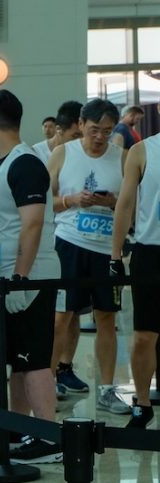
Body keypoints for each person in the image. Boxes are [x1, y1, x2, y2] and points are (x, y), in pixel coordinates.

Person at [0, 89, 61, 463]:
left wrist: (21, 276)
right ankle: (17, 426)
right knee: (15, 358)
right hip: (1, 277)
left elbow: (32, 223)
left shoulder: (27, 163)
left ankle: (49, 435)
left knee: (34, 358)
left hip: (30, 277)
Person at [48, 98, 129, 414]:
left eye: (107, 131)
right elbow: (42, 202)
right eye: (95, 129)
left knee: (107, 318)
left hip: (106, 248)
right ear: (81, 124)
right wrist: (70, 200)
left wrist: (113, 202)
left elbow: (130, 205)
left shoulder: (121, 157)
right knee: (60, 318)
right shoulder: (63, 154)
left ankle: (107, 390)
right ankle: (50, 380)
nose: (100, 137)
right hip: (68, 243)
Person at [31, 100, 83, 398]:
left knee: (74, 310)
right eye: (76, 135)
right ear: (58, 131)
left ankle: (65, 367)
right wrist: (70, 201)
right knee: (55, 314)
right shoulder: (37, 155)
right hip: (47, 244)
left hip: (76, 242)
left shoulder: (83, 155)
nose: (83, 142)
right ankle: (45, 374)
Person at [111, 126, 160, 427]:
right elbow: (125, 204)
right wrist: (115, 255)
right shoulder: (144, 152)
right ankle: (142, 403)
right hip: (151, 251)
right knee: (145, 334)